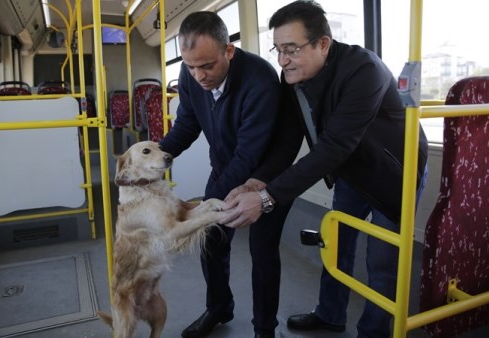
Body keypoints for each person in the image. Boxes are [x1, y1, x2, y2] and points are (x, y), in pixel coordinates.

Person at [220, 1, 429, 338]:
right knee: (335, 245)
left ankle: (373, 332)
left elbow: (334, 146)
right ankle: (330, 314)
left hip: (395, 175)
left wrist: (268, 199)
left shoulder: (364, 70)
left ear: (322, 44)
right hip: (351, 172)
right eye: (278, 49)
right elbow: (289, 138)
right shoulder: (293, 78)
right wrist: (258, 182)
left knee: (383, 263)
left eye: (291, 49)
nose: (282, 59)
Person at [158, 11, 301, 338]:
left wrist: (198, 209)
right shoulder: (190, 71)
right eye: (191, 66)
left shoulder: (260, 80)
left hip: (266, 177)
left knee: (262, 252)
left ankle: (264, 330)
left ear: (229, 51)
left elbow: (247, 156)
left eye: (207, 66)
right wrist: (157, 157)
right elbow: (187, 124)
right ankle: (219, 307)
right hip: (226, 168)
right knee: (211, 242)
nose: (199, 75)